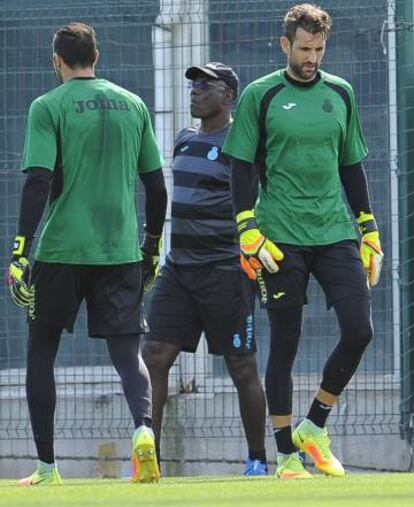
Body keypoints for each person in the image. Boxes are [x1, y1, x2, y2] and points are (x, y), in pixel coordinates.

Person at [223, 4, 384, 479]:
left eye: (319, 49)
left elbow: (351, 164)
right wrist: (247, 228)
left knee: (360, 330)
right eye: (304, 48)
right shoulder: (261, 95)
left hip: (334, 231)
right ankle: (286, 454)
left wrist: (368, 227)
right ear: (285, 45)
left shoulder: (341, 93)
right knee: (286, 343)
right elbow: (241, 166)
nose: (312, 57)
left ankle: (314, 425)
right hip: (279, 237)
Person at [7, 22, 167, 485]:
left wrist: (20, 251)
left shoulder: (48, 106)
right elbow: (156, 188)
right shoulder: (133, 104)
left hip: (61, 249)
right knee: (126, 351)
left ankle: (47, 467)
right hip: (119, 250)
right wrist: (151, 248)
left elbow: (38, 181)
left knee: (42, 350)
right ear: (96, 56)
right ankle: (143, 430)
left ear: (57, 60)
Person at [142, 62, 268, 476]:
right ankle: (150, 460)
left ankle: (257, 460)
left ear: (228, 96)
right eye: (193, 85)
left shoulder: (241, 143)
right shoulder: (183, 139)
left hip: (226, 271)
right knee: (155, 356)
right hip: (179, 270)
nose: (195, 91)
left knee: (241, 366)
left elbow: (257, 196)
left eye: (205, 85)